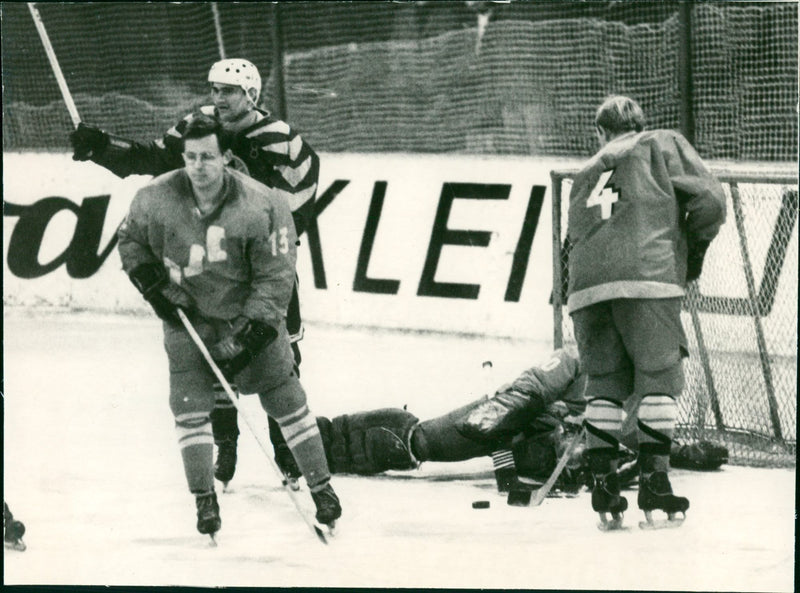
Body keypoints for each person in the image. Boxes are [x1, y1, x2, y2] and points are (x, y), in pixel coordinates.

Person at [69, 58, 315, 489]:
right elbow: (153, 159)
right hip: (210, 265)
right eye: (214, 89)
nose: (218, 98)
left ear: (251, 95)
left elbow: (295, 205)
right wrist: (101, 146)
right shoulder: (195, 127)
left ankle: (287, 455)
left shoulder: (283, 140)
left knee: (279, 357)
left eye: (229, 91)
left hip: (259, 266)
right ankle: (227, 448)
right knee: (212, 353)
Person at [116, 114, 340, 538]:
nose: (198, 166)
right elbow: (131, 242)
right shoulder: (154, 198)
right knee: (188, 408)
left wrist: (253, 334)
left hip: (247, 318)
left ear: (227, 157)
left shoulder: (265, 204)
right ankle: (204, 500)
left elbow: (277, 277)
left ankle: (322, 489)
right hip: (189, 322)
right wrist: (153, 286)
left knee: (287, 401)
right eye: (191, 157)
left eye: (208, 157)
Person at [565, 95, 726, 528]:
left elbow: (571, 243)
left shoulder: (584, 172)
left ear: (600, 133)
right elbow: (711, 201)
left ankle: (602, 485)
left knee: (603, 385)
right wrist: (691, 246)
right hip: (647, 276)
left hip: (585, 289)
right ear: (639, 124)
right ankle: (655, 483)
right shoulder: (662, 143)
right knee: (658, 379)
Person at [306, 346, 728, 497]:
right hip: (514, 419)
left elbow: (643, 443)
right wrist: (500, 429)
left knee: (557, 451)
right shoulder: (583, 356)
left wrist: (685, 452)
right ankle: (318, 441)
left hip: (539, 445)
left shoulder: (645, 403)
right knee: (423, 442)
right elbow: (526, 390)